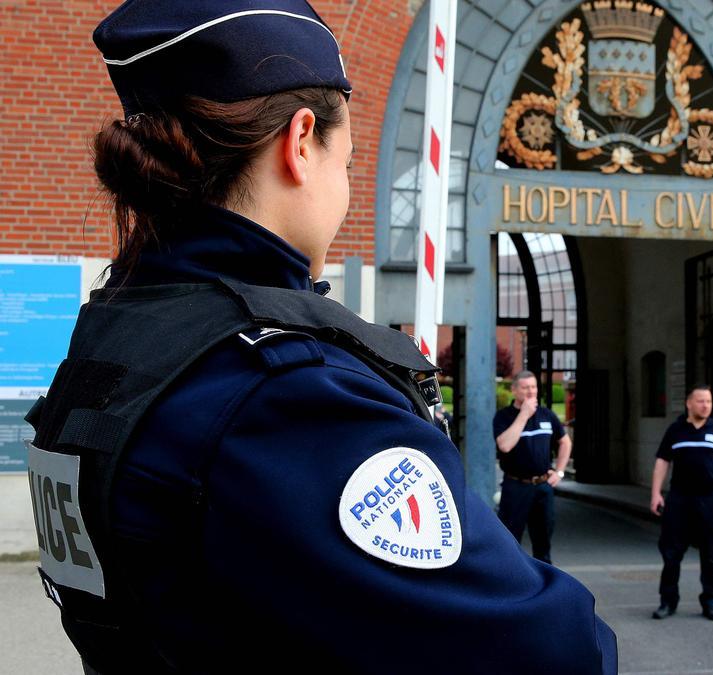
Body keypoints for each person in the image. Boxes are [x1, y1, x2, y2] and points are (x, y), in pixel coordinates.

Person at [23, 2, 616, 672]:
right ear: (301, 142)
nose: (347, 190)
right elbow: (548, 650)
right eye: (350, 162)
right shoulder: (286, 396)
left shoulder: (118, 339)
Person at [649, 384, 713, 621]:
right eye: (701, 401)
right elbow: (662, 462)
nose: (706, 406)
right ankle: (667, 602)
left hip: (710, 499)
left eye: (709, 402)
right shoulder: (676, 430)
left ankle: (710, 601)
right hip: (680, 499)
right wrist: (656, 493)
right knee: (672, 553)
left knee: (711, 553)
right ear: (689, 403)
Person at [493, 371, 572, 564]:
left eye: (534, 387)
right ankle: (512, 586)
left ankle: (545, 588)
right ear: (514, 390)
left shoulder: (547, 415)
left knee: (543, 544)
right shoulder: (504, 417)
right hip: (516, 487)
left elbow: (565, 442)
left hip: (543, 487)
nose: (531, 391)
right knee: (510, 542)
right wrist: (524, 414)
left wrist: (560, 471)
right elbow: (505, 445)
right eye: (525, 387)